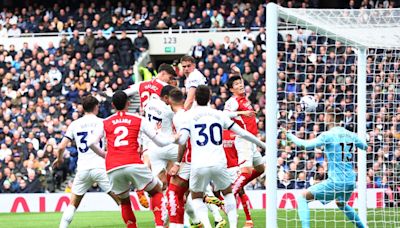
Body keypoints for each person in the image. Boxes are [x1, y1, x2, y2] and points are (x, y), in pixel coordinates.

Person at [177, 85, 266, 228]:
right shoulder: (219, 114)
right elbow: (242, 133)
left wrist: (173, 139)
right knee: (228, 193)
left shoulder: (188, 116)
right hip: (219, 162)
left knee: (196, 197)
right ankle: (233, 226)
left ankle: (207, 226)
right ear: (210, 97)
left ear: (194, 98)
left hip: (198, 164)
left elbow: (181, 141)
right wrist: (263, 145)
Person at [88, 91, 179, 228]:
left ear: (113, 105)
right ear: (128, 104)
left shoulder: (105, 122)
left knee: (124, 201)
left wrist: (104, 154)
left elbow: (90, 143)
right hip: (133, 162)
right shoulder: (138, 119)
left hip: (113, 166)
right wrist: (174, 138)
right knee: (156, 190)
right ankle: (160, 225)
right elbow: (159, 142)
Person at [282, 107, 368, 228]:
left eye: (326, 115)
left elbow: (304, 145)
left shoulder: (328, 135)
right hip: (350, 180)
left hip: (337, 181)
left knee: (302, 198)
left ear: (330, 117)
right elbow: (364, 146)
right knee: (341, 203)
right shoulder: (350, 134)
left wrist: (289, 135)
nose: (325, 118)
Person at [53, 95, 120, 228]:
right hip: (100, 167)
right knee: (121, 200)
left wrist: (59, 159)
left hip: (83, 169)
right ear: (96, 107)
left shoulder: (75, 124)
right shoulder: (103, 122)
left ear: (83, 109)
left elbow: (61, 147)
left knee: (73, 204)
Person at [224, 67, 265, 195]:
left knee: (260, 169)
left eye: (240, 83)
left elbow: (241, 83)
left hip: (251, 139)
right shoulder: (233, 101)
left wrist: (238, 74)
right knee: (246, 170)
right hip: (243, 140)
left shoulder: (243, 97)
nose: (240, 85)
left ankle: (238, 184)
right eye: (236, 84)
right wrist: (242, 112)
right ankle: (231, 193)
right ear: (231, 89)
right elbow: (224, 115)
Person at [144, 85, 177, 190]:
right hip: (168, 144)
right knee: (187, 167)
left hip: (153, 146)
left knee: (160, 183)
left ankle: (159, 203)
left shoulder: (149, 103)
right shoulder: (169, 110)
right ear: (166, 97)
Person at [222, 129, 254, 228]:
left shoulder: (235, 133)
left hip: (235, 167)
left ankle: (249, 220)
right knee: (219, 191)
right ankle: (226, 210)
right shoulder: (217, 132)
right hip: (222, 168)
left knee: (240, 191)